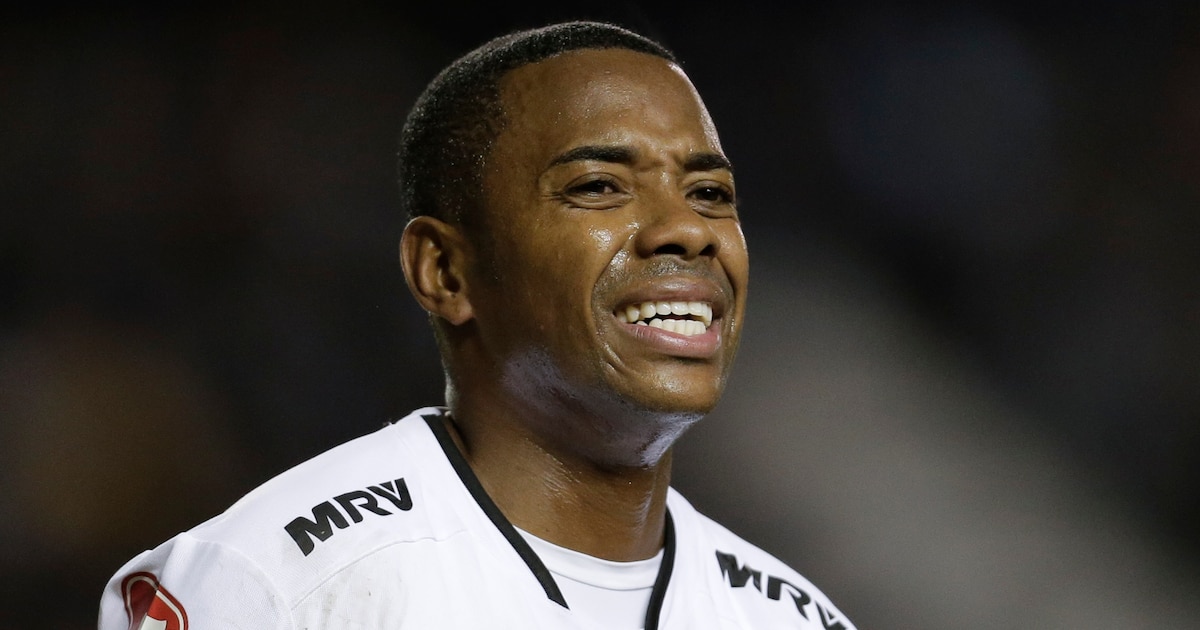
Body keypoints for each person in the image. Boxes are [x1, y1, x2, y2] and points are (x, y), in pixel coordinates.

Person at [98, 20, 855, 629]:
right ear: (445, 271)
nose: (687, 230)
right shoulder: (279, 584)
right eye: (599, 186)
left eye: (711, 193)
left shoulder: (792, 617)